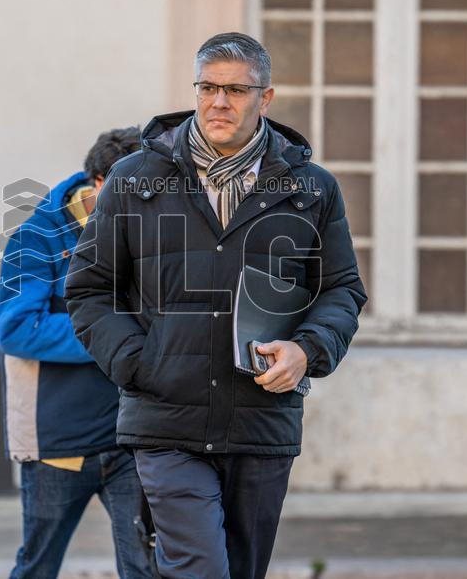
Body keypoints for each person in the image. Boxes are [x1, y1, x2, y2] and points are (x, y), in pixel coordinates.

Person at [64, 32, 367, 578]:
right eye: (207, 87)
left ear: (265, 98)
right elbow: (89, 289)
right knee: (200, 570)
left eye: (235, 90)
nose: (218, 102)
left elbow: (341, 290)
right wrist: (138, 362)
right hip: (165, 419)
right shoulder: (135, 180)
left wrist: (306, 350)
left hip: (261, 422)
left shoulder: (311, 189)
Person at [0, 127, 152, 579]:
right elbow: (16, 330)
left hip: (132, 439)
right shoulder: (34, 238)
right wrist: (114, 333)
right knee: (37, 568)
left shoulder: (149, 231)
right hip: (57, 444)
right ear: (98, 184)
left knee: (146, 567)